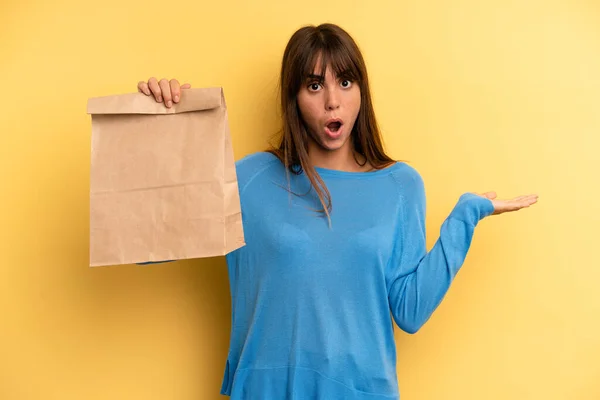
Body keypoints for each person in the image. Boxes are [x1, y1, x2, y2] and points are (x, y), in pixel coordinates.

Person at [136, 23, 538, 400]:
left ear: (361, 91)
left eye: (345, 83)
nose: (333, 100)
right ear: (293, 98)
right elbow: (146, 243)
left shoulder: (400, 185)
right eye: (314, 85)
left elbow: (410, 311)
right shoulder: (251, 179)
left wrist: (465, 217)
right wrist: (163, 128)